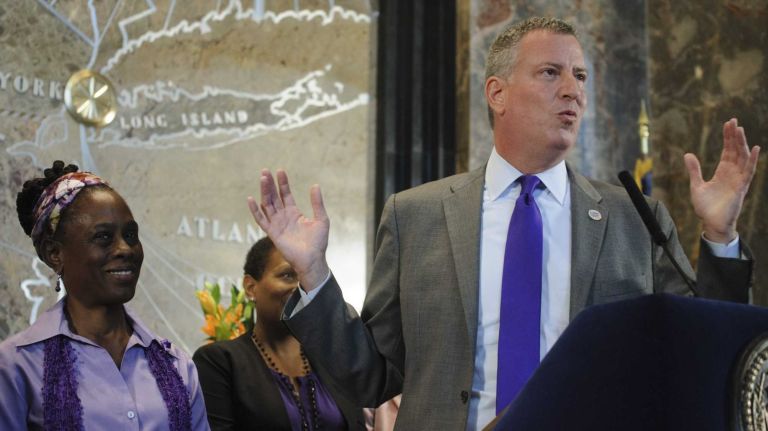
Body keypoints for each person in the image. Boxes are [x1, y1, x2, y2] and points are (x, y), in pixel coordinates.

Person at [248, 17, 759, 430]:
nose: (573, 91)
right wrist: (314, 272)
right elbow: (371, 376)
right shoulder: (416, 215)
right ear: (497, 93)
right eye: (550, 73)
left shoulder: (633, 217)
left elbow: (701, 355)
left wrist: (719, 235)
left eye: (580, 76)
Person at [0, 160, 209, 430]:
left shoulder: (177, 365)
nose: (125, 249)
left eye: (131, 234)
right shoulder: (18, 365)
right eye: (103, 237)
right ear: (55, 254)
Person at [193, 237, 365, 430]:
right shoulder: (219, 362)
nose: (301, 288)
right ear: (251, 287)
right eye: (287, 275)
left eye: (307, 278)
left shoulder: (332, 360)